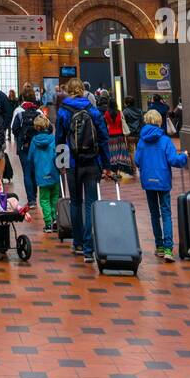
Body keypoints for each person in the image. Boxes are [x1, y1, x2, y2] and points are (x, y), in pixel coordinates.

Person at [55, 77, 110, 262]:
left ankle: (77, 243)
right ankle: (89, 248)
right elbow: (103, 137)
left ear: (68, 91)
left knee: (76, 202)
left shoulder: (63, 111)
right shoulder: (92, 110)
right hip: (92, 162)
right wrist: (106, 164)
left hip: (72, 163)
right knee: (90, 203)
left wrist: (60, 163)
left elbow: (59, 139)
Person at [135, 108, 188, 261]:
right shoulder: (165, 140)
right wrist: (184, 156)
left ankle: (158, 246)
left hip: (148, 181)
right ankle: (168, 249)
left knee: (154, 214)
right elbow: (174, 161)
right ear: (159, 121)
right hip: (163, 180)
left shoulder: (141, 141)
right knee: (166, 213)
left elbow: (137, 161)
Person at [10, 84, 45, 205]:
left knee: (27, 172)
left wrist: (20, 138)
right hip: (37, 146)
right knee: (35, 171)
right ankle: (35, 195)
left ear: (23, 97)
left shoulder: (18, 111)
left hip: (23, 146)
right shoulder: (39, 111)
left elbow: (13, 128)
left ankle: (31, 200)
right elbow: (46, 127)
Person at [30, 112, 61, 233]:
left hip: (41, 175)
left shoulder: (34, 141)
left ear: (36, 127)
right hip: (54, 173)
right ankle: (54, 219)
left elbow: (30, 157)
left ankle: (48, 223)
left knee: (44, 200)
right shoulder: (53, 139)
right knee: (54, 197)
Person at [103, 95, 134, 176]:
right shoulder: (120, 112)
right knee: (121, 152)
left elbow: (107, 124)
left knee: (113, 153)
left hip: (111, 136)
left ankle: (114, 171)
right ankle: (119, 171)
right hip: (120, 135)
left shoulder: (106, 113)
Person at [122, 94, 143, 161]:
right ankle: (140, 166)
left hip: (130, 134)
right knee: (139, 151)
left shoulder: (125, 111)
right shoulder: (139, 111)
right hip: (138, 134)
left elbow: (123, 122)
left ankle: (134, 169)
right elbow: (142, 122)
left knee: (131, 152)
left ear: (127, 103)